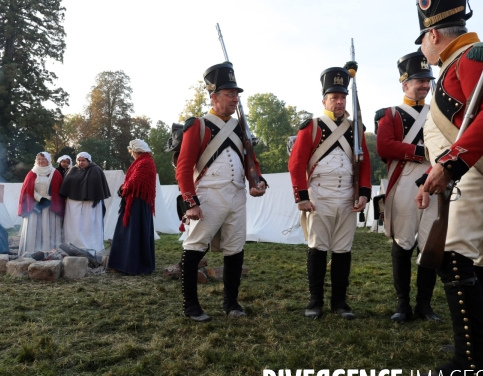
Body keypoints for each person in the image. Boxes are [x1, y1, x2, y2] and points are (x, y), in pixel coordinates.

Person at [412, 0, 483, 376]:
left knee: (454, 260)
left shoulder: (474, 57)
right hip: (468, 169)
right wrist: (437, 169)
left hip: (475, 171)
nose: (423, 49)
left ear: (433, 34)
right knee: (480, 261)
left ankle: (467, 369)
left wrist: (452, 164)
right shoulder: (461, 63)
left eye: (422, 40)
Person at [176, 61, 267, 322]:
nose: (234, 99)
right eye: (229, 94)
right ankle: (191, 305)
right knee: (194, 248)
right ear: (214, 97)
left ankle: (231, 303)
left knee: (235, 250)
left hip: (237, 196)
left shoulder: (241, 127)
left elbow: (251, 160)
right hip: (208, 195)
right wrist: (191, 202)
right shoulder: (199, 125)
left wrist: (256, 181)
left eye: (236, 94)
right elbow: (183, 168)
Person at [288, 66, 371, 320]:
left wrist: (364, 193)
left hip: (347, 194)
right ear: (324, 100)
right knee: (318, 248)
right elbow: (296, 163)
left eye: (342, 97)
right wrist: (302, 197)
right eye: (334, 97)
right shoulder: (312, 127)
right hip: (319, 195)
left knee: (343, 250)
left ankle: (340, 302)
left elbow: (365, 162)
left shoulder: (355, 128)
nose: (339, 101)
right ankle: (315, 300)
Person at [374, 52, 441, 323]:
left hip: (435, 179)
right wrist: (419, 151)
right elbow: (384, 145)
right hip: (403, 180)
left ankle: (424, 304)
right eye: (419, 81)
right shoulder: (389, 114)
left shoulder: (438, 111)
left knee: (430, 244)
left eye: (427, 80)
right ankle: (403, 303)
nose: (425, 85)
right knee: (403, 241)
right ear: (405, 84)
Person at [108, 139, 157, 275]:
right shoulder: (144, 161)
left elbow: (134, 182)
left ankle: (132, 265)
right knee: (131, 232)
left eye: (132, 152)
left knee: (134, 233)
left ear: (136, 150)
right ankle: (125, 264)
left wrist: (124, 188)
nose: (131, 154)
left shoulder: (145, 162)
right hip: (135, 202)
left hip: (137, 204)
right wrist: (124, 188)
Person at [59, 152, 111, 252]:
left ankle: (90, 246)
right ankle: (72, 244)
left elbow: (97, 187)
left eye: (83, 160)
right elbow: (66, 185)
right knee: (73, 224)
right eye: (79, 160)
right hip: (73, 204)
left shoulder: (96, 170)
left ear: (88, 160)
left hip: (90, 204)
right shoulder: (72, 170)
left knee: (88, 225)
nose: (81, 162)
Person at [17, 152, 65, 256]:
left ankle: (50, 252)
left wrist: (49, 199)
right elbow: (28, 189)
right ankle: (30, 252)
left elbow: (58, 190)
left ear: (48, 160)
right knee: (34, 228)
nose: (40, 161)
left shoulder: (55, 173)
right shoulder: (32, 173)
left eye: (43, 159)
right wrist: (40, 198)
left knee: (50, 228)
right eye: (39, 159)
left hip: (50, 206)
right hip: (35, 205)